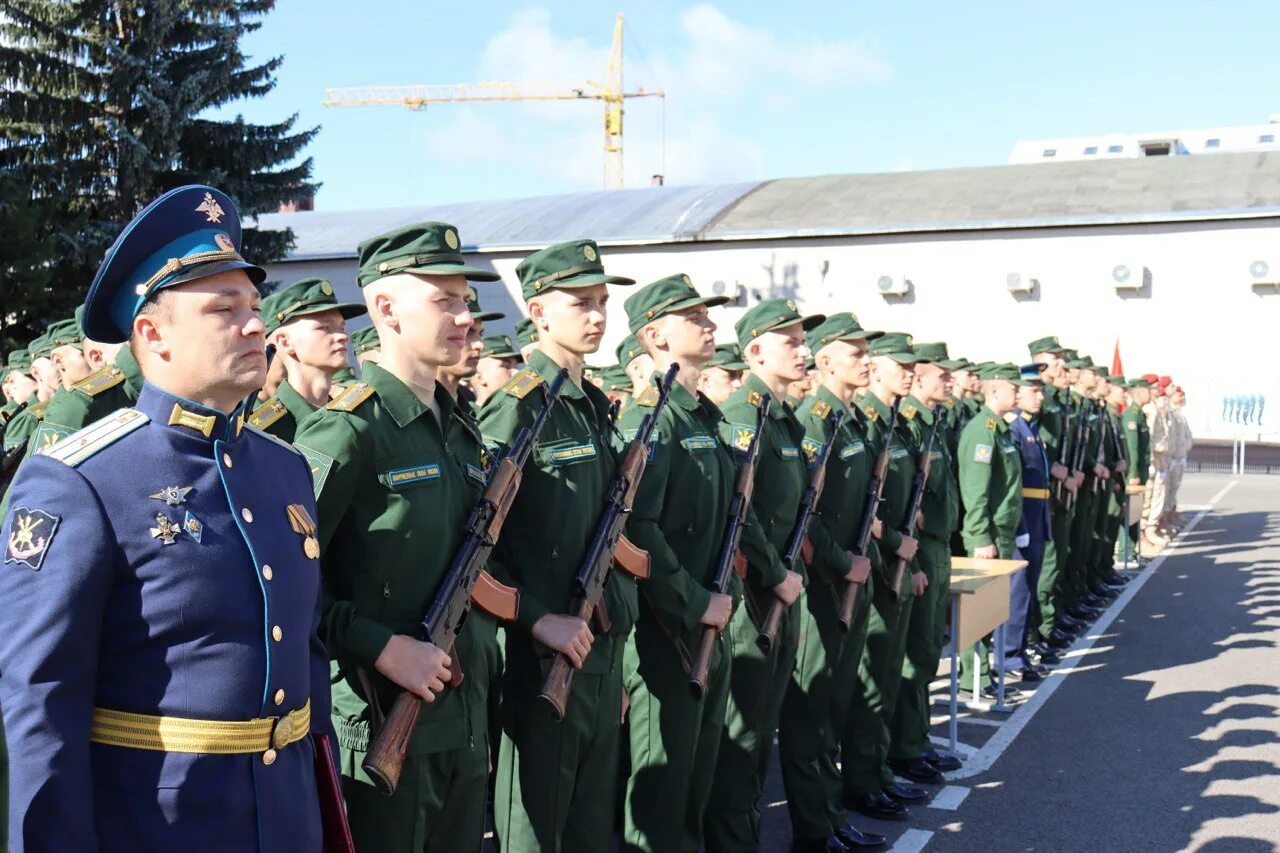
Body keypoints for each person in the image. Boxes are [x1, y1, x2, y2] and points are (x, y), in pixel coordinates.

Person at [0, 184, 335, 850]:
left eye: (254, 306)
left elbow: (306, 656)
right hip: (160, 828)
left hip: (288, 821)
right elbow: (40, 704)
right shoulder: (80, 479)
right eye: (223, 309)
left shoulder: (284, 467)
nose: (253, 326)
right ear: (151, 334)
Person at [292, 221, 501, 851]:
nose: (466, 316)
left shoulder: (458, 428)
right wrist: (379, 645)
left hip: (462, 720)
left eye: (465, 300)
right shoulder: (348, 431)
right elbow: (281, 580)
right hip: (379, 720)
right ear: (385, 308)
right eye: (445, 300)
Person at [478, 239, 637, 853]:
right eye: (581, 302)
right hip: (538, 657)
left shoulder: (593, 409)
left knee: (592, 830)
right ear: (540, 313)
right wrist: (535, 619)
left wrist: (610, 666)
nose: (598, 315)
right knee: (536, 830)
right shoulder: (516, 410)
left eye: (602, 301)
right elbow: (475, 545)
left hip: (597, 652)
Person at [614, 273, 741, 852]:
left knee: (695, 780)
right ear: (656, 336)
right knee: (663, 791)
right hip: (666, 631)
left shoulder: (701, 415)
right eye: (695, 318)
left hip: (709, 619)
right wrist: (695, 602)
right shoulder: (654, 418)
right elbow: (637, 530)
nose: (710, 325)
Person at [704, 298, 818, 852]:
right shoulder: (744, 415)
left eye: (804, 340)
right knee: (742, 738)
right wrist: (774, 573)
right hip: (755, 597)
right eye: (791, 341)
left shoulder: (780, 416)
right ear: (754, 351)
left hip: (780, 592)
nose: (805, 350)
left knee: (759, 737)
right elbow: (738, 511)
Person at [788, 312, 887, 851]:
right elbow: (804, 516)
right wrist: (839, 561)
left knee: (834, 707)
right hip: (824, 587)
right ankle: (812, 829)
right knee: (812, 714)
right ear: (826, 360)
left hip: (852, 579)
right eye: (856, 353)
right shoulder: (814, 421)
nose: (866, 360)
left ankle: (829, 816)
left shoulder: (850, 421)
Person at [842, 332, 928, 821]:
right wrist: (897, 549)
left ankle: (875, 773)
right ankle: (861, 780)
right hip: (867, 565)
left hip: (889, 563)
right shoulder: (866, 422)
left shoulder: (888, 420)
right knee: (868, 682)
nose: (911, 372)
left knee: (885, 675)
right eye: (904, 364)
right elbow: (861, 513)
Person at [887, 341, 965, 783]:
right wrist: (913, 559)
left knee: (927, 648)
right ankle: (905, 746)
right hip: (918, 549)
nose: (949, 381)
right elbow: (905, 503)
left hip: (937, 546)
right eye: (942, 374)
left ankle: (917, 738)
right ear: (919, 379)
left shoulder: (932, 422)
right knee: (913, 654)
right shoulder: (910, 425)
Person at [957, 363, 1025, 698]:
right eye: (1013, 388)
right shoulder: (982, 431)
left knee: (992, 611)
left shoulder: (1000, 428)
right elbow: (976, 490)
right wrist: (981, 537)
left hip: (1003, 532)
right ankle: (975, 677)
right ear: (995, 389)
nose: (1018, 394)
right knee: (978, 613)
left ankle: (984, 674)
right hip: (989, 535)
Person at [247, 277, 366, 441]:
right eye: (324, 327)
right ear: (285, 342)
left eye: (341, 327)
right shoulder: (262, 432)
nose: (342, 336)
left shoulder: (358, 417)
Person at [1003, 364, 1052, 681]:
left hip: (1037, 516)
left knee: (1029, 588)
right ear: (1017, 393)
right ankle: (1008, 655)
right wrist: (1020, 526)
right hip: (1024, 519)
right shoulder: (1014, 429)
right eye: (1034, 390)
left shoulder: (1030, 428)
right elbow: (1012, 485)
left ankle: (1018, 651)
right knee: (1017, 592)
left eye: (1040, 390)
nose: (1041, 396)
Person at [471, 333, 522, 407]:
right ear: (480, 377)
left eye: (516, 366)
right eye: (506, 366)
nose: (516, 372)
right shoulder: (460, 415)